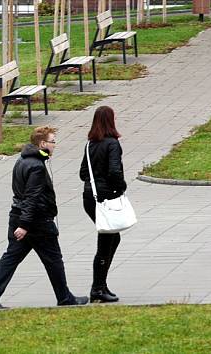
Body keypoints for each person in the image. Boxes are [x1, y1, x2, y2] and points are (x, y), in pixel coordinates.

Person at [0, 126, 88, 309]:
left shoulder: (22, 160)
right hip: (36, 222)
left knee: (11, 257)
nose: (55, 146)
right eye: (53, 142)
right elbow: (31, 197)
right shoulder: (37, 166)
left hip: (18, 216)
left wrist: (21, 222)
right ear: (43, 143)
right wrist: (24, 225)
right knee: (53, 259)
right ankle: (65, 298)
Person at [79, 106, 126, 303]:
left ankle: (101, 284)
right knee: (107, 240)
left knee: (112, 239)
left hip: (90, 198)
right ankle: (98, 288)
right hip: (106, 198)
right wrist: (120, 187)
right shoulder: (112, 144)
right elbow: (115, 171)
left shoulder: (90, 145)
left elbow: (83, 173)